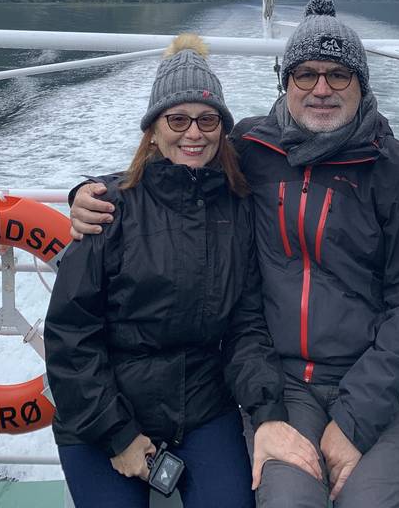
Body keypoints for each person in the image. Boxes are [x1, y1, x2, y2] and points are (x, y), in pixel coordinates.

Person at [71, 0, 399, 507]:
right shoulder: (252, 148)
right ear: (284, 81)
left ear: (361, 84)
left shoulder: (398, 171)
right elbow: (175, 168)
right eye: (306, 74)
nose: (321, 89)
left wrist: (356, 421)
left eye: (338, 75)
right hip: (279, 382)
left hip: (371, 380)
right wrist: (89, 193)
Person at [45, 34, 320, 508]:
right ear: (153, 129)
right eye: (177, 119)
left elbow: (245, 325)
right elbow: (71, 336)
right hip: (102, 413)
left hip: (202, 407)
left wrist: (268, 412)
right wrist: (118, 435)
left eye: (207, 119)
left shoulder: (236, 210)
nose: (193, 133)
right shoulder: (108, 209)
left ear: (221, 130)